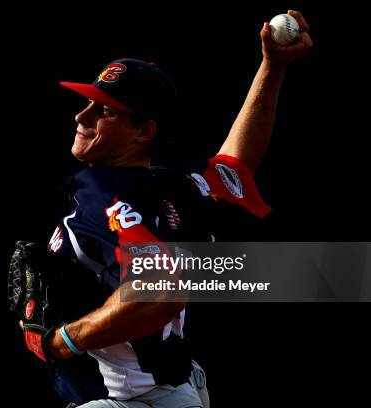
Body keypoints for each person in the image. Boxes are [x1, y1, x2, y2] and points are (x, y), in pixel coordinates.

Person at [19, 10, 312, 408]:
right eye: (88, 103)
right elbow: (236, 163)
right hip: (178, 385)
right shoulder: (179, 185)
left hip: (126, 399)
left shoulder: (101, 194)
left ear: (144, 131)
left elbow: (160, 292)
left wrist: (63, 341)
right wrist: (273, 67)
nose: (81, 115)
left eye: (104, 111)